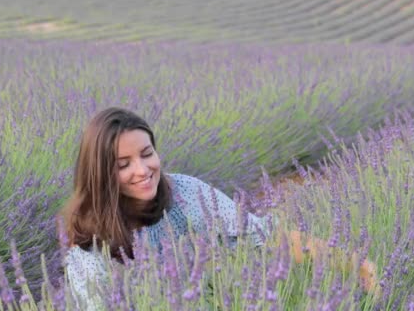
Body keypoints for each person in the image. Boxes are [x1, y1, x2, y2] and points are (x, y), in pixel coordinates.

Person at [57, 107, 377, 310]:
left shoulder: (182, 192)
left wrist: (356, 264)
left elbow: (266, 236)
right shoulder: (88, 248)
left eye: (147, 153)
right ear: (100, 173)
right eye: (123, 164)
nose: (142, 170)